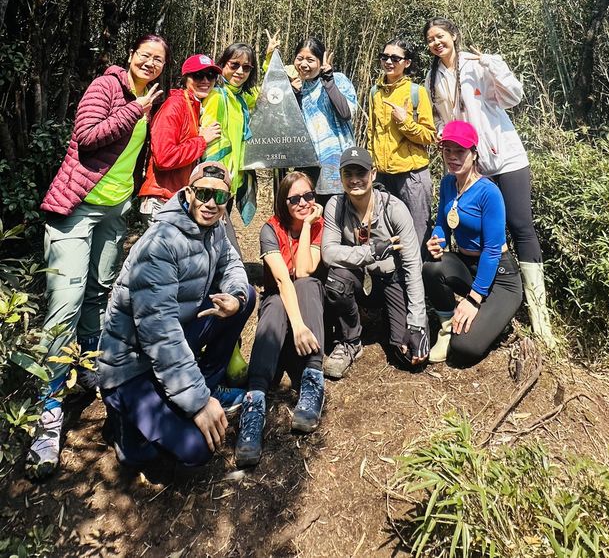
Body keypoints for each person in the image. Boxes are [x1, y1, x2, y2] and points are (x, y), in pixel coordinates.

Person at [27, 34, 168, 478]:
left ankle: (90, 368)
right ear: (130, 57)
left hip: (114, 210)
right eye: (144, 55)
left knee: (98, 291)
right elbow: (86, 137)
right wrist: (135, 110)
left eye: (159, 59)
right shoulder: (106, 87)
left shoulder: (153, 99)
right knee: (63, 307)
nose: (150, 62)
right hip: (77, 209)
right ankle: (47, 416)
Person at [98, 162, 256, 472]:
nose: (211, 204)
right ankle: (123, 418)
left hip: (174, 340)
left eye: (220, 198)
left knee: (247, 294)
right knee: (195, 449)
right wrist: (197, 405)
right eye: (204, 194)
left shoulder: (216, 228)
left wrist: (236, 299)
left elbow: (233, 266)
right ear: (188, 193)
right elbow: (160, 333)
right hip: (132, 364)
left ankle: (206, 386)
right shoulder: (160, 243)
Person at [424, 16, 555, 347]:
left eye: (441, 36)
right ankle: (487, 291)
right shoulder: (434, 76)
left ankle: (540, 316)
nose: (436, 43)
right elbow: (445, 118)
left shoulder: (475, 64)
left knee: (520, 224)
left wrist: (492, 63)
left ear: (454, 35)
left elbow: (514, 96)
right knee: (482, 229)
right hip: (471, 163)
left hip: (504, 157)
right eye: (430, 39)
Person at [235, 172, 325, 466]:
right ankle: (254, 402)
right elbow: (283, 280)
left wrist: (309, 225)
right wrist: (297, 326)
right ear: (283, 202)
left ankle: (313, 382)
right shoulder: (270, 230)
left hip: (307, 310)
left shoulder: (320, 225)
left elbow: (302, 272)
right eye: (295, 199)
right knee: (273, 303)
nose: (303, 203)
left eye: (308, 196)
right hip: (283, 313)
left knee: (309, 285)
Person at [321, 146, 429, 378]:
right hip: (357, 278)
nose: (354, 180)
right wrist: (371, 251)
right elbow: (328, 253)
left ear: (373, 174)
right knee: (337, 278)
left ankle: (394, 323)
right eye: (348, 174)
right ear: (340, 177)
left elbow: (412, 267)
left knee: (410, 358)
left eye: (360, 173)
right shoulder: (335, 206)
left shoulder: (395, 209)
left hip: (390, 279)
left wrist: (417, 323)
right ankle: (350, 341)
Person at [423, 120, 523, 364]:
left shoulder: (489, 192)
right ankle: (446, 328)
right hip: (467, 265)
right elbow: (443, 223)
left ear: (474, 153)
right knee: (432, 266)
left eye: (460, 151)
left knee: (465, 348)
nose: (453, 157)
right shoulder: (448, 183)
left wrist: (472, 298)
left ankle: (492, 312)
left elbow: (491, 249)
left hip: (500, 275)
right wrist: (438, 240)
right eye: (448, 150)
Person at [200, 33, 280, 231]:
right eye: (234, 65)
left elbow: (268, 92)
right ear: (223, 65)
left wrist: (269, 58)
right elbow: (211, 145)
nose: (240, 71)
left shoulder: (242, 98)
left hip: (233, 181)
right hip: (216, 180)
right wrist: (217, 178)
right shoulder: (216, 96)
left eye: (246, 67)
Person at [368, 37, 437, 253]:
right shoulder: (375, 93)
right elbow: (372, 132)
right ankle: (392, 284)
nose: (389, 62)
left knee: (417, 235)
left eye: (395, 58)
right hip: (382, 176)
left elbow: (429, 135)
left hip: (412, 175)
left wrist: (405, 122)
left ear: (406, 63)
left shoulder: (417, 92)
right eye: (385, 57)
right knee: (386, 232)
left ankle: (419, 283)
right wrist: (371, 165)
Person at [138, 53, 222, 226]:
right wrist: (202, 141)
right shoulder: (174, 106)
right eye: (198, 75)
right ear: (185, 79)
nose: (206, 80)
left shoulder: (197, 106)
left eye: (211, 75)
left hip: (179, 199)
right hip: (162, 201)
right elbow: (164, 157)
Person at [291, 36, 357, 203]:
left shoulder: (338, 79)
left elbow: (346, 113)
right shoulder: (295, 86)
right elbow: (292, 127)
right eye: (300, 58)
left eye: (310, 60)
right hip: (308, 164)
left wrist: (328, 81)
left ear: (321, 62)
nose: (304, 64)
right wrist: (295, 95)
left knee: (336, 215)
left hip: (337, 163)